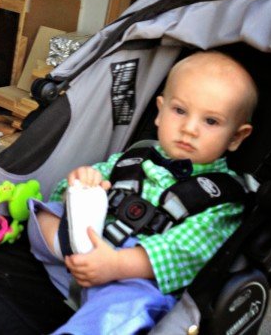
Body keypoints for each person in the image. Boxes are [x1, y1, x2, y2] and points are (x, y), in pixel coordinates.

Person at [27, 50, 258, 335]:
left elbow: (185, 251)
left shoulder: (223, 195)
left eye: (210, 121)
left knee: (133, 307)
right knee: (45, 212)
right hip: (87, 245)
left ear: (236, 136)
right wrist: (82, 184)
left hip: (134, 276)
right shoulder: (136, 157)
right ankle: (71, 259)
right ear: (160, 111)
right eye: (180, 111)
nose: (189, 129)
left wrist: (116, 265)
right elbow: (79, 190)